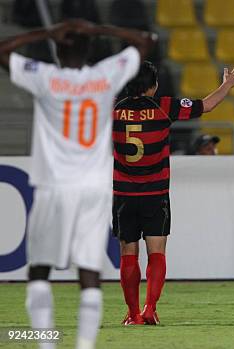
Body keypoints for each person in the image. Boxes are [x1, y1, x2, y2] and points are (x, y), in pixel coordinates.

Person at [0, 19, 155, 349]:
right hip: (93, 188)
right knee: (89, 273)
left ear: (57, 48)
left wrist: (44, 33)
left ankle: (46, 344)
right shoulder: (104, 77)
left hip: (53, 186)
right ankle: (85, 345)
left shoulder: (47, 78)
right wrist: (99, 29)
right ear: (89, 49)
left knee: (39, 271)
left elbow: (2, 51)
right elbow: (145, 40)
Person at [113, 61, 234, 325]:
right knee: (156, 253)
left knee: (128, 253)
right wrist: (227, 84)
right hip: (156, 193)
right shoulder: (164, 106)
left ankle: (132, 314)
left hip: (124, 194)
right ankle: (150, 309)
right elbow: (206, 105)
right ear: (152, 86)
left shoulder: (113, 109)